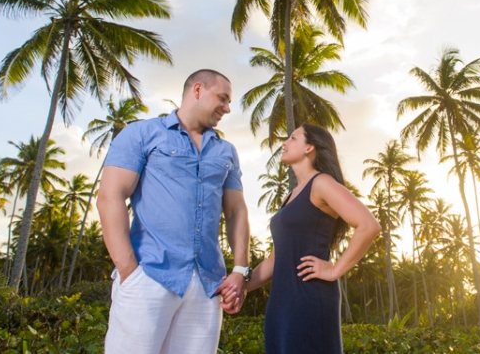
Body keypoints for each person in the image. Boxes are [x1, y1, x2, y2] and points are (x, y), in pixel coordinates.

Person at [97, 69, 251, 354]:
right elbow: (110, 197)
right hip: (150, 275)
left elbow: (236, 211)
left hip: (207, 284)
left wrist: (240, 270)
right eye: (222, 98)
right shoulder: (142, 133)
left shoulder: (226, 151)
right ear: (197, 90)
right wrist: (129, 270)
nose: (227, 108)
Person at [245, 123, 381, 354]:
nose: (284, 143)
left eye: (293, 138)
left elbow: (368, 225)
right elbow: (274, 261)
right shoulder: (290, 196)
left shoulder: (322, 183)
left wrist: (334, 270)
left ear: (310, 148)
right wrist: (241, 286)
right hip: (281, 304)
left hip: (308, 299)